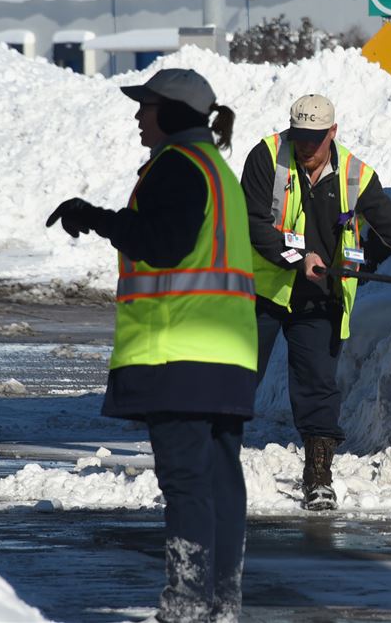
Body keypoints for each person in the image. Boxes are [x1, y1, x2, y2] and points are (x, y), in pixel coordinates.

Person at [46, 68, 257, 623]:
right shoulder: (217, 169)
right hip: (226, 352)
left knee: (187, 481)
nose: (139, 116)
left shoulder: (178, 166)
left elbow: (163, 244)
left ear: (172, 113)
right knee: (219, 480)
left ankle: (186, 606)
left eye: (147, 106)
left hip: (179, 349)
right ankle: (221, 604)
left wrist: (95, 219)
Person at [241, 93, 391, 511]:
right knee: (236, 374)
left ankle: (318, 476)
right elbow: (253, 224)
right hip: (263, 288)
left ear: (333, 132)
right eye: (299, 137)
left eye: (315, 138)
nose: (306, 147)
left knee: (317, 387)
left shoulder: (355, 175)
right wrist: (297, 256)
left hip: (320, 294)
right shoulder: (266, 157)